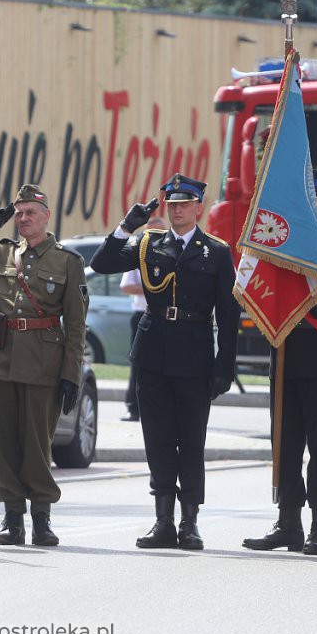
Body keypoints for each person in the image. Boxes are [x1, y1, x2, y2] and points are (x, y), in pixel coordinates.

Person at [90, 174, 240, 550]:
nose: (177, 211)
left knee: (191, 440)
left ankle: (189, 522)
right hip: (153, 353)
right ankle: (163, 522)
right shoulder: (148, 244)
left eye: (184, 204)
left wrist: (225, 366)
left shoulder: (216, 252)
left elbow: (229, 314)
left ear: (198, 208)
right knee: (157, 439)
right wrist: (127, 226)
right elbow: (102, 263)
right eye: (172, 205)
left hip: (195, 355)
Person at [0, 184, 87, 547]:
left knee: (36, 444)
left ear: (46, 216)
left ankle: (41, 518)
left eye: (30, 213)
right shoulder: (0, 253)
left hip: (42, 363)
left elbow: (76, 325)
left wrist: (71, 375)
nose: (23, 219)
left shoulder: (67, 261)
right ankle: (12, 518)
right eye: (19, 213)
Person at [242, 169, 317, 556]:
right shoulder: (279, 245)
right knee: (285, 445)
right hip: (284, 354)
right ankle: (288, 522)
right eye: (305, 199)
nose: (310, 206)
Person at [118, 215, 165, 422]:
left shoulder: (174, 252)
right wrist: (154, 289)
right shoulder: (138, 253)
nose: (156, 237)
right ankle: (133, 407)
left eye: (160, 232)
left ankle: (159, 409)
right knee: (138, 363)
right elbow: (126, 286)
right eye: (152, 233)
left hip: (166, 316)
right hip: (142, 315)